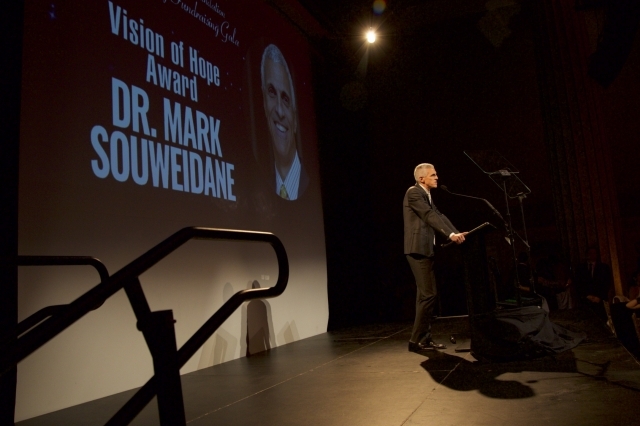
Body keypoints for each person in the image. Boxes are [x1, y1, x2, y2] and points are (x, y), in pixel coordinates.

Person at [403, 163, 467, 352]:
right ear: (421, 178)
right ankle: (415, 340)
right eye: (433, 175)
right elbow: (428, 215)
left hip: (425, 249)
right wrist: (450, 235)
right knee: (429, 295)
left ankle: (424, 338)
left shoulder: (426, 195)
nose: (437, 177)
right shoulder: (414, 193)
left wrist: (456, 233)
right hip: (417, 250)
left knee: (425, 296)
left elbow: (439, 215)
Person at [260, 44, 308, 200]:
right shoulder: (262, 190)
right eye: (272, 93)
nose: (279, 111)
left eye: (286, 99)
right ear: (264, 104)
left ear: (295, 119)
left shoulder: (310, 187)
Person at [574, 246, 612, 322]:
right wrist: (586, 295)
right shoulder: (580, 268)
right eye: (590, 253)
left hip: (600, 299)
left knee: (601, 320)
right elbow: (578, 283)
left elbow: (607, 283)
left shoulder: (604, 267)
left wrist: (599, 297)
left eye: (594, 253)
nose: (592, 255)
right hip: (586, 300)